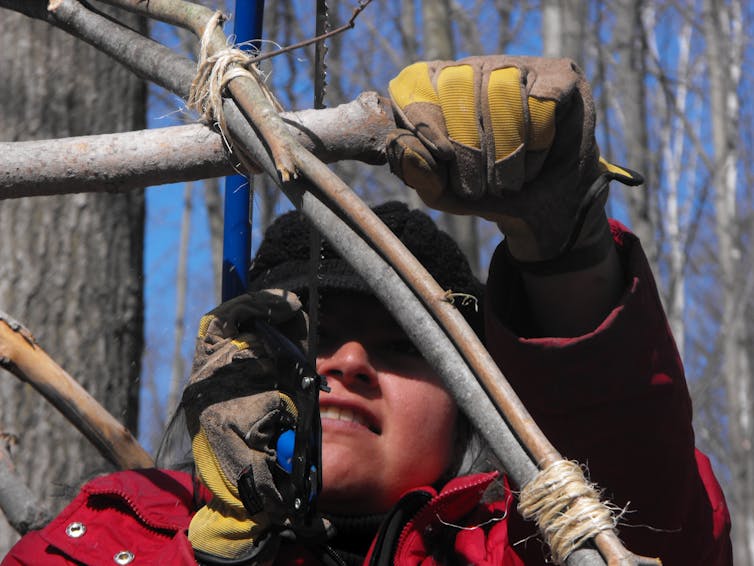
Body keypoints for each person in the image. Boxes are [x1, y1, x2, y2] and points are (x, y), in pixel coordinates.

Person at [2, 56, 732, 565]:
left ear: (468, 410)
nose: (348, 363)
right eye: (311, 334)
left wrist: (567, 255)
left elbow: (643, 513)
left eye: (403, 346)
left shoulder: (515, 550)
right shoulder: (102, 545)